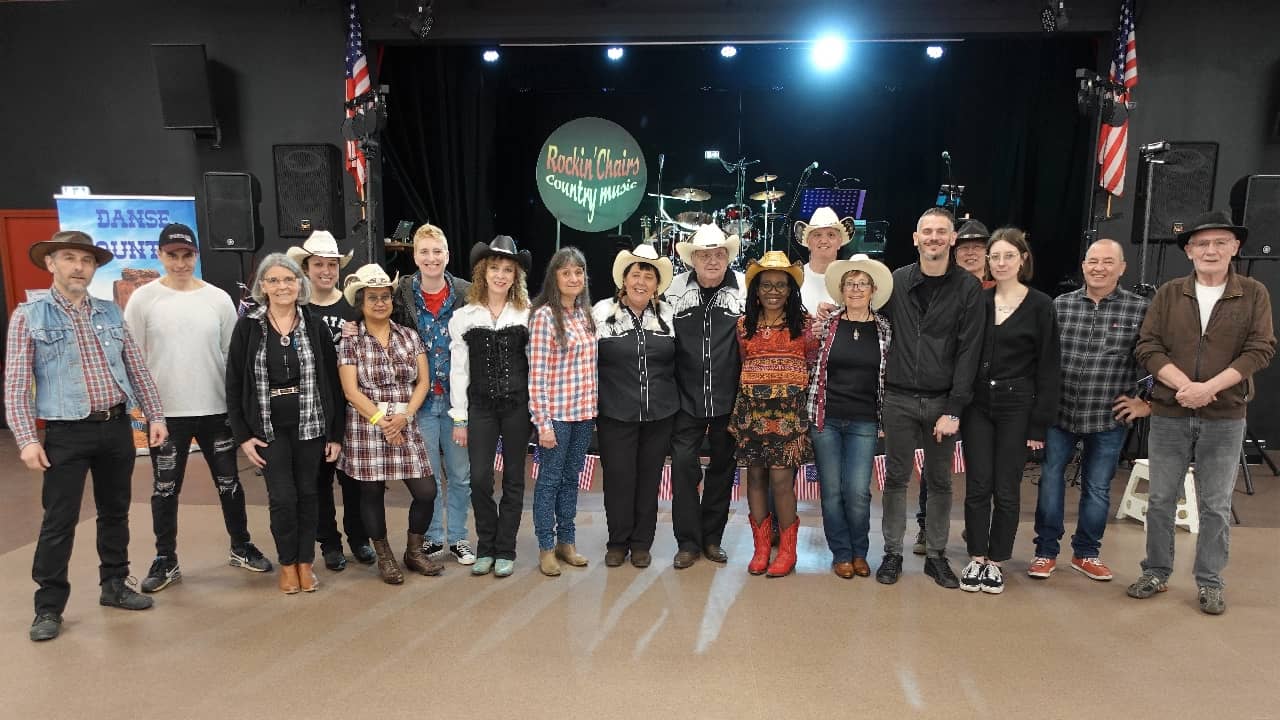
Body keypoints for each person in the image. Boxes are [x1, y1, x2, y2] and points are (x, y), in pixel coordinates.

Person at [6, 231, 167, 642]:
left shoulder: (111, 313)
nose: (79, 267)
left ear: (94, 268)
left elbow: (136, 368)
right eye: (70, 258)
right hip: (65, 431)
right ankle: (48, 606)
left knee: (115, 511)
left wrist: (155, 415)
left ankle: (114, 585)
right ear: (51, 264)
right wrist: (26, 438)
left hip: (115, 427)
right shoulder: (30, 315)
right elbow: (17, 383)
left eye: (86, 260)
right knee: (59, 520)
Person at [1128, 210, 1275, 615]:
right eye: (1202, 244)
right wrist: (1184, 387)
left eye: (1219, 243)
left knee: (1214, 503)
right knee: (1160, 499)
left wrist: (1208, 388)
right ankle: (1156, 571)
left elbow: (1260, 349)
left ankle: (1210, 581)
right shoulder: (1170, 293)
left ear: (1235, 248)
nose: (1211, 250)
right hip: (1170, 414)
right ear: (1189, 251)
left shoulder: (1253, 294)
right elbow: (1148, 346)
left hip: (1224, 415)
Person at [125, 223, 270, 594]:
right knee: (165, 488)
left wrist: (238, 408)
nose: (179, 262)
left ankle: (240, 546)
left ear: (196, 256)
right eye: (172, 255)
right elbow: (132, 357)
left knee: (228, 483)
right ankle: (165, 558)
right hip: (166, 416)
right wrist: (142, 408)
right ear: (160, 256)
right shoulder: (143, 299)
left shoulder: (217, 299)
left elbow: (231, 357)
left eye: (186, 255)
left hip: (215, 410)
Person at [875, 207, 984, 588]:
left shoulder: (968, 288)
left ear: (953, 238)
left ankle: (936, 555)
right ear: (915, 238)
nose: (934, 237)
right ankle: (892, 553)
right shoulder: (896, 281)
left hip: (943, 402)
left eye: (942, 232)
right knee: (895, 479)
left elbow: (970, 351)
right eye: (927, 231)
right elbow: (868, 318)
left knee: (939, 481)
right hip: (899, 397)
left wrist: (955, 408)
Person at [1029, 238, 1150, 582]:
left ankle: (1086, 553)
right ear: (1083, 266)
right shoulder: (1060, 306)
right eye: (1092, 261)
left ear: (1122, 268)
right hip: (1060, 413)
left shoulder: (1140, 309)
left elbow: (1157, 361)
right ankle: (1045, 552)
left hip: (1109, 417)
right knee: (1050, 482)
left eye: (1108, 262)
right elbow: (1041, 358)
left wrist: (1147, 402)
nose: (1099, 268)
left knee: (1097, 488)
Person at [226, 253, 343, 595]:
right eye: (274, 280)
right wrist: (243, 435)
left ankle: (306, 563)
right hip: (267, 429)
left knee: (309, 494)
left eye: (288, 280)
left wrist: (335, 434)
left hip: (311, 424)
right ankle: (287, 564)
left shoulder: (314, 323)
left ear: (299, 284)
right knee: (282, 497)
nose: (282, 286)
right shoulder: (249, 324)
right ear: (262, 286)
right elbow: (234, 382)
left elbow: (332, 382)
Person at [958, 228, 1060, 595]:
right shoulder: (978, 301)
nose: (1001, 263)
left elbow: (1049, 367)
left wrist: (1039, 423)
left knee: (1006, 487)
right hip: (978, 404)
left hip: (1019, 404)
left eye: (1008, 256)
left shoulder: (1041, 305)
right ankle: (976, 557)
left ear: (1023, 259)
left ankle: (997, 561)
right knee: (978, 484)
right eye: (995, 257)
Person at [339, 264, 443, 584]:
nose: (380, 303)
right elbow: (350, 390)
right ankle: (384, 556)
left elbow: (423, 382)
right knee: (370, 493)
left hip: (404, 419)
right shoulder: (351, 339)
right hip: (368, 424)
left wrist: (405, 417)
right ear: (362, 301)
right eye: (373, 298)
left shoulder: (409, 336)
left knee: (426, 491)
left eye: (385, 297)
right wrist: (382, 421)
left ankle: (413, 551)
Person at [285, 231, 372, 572]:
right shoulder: (297, 308)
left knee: (354, 479)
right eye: (318, 264)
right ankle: (330, 543)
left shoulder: (351, 306)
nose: (325, 270)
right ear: (306, 267)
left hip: (352, 403)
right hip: (313, 406)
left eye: (331, 264)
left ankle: (359, 537)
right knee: (318, 480)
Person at [449, 236, 533, 578]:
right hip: (480, 407)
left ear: (516, 276)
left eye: (508, 270)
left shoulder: (527, 314)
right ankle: (486, 545)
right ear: (483, 273)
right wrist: (459, 417)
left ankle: (506, 548)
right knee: (480, 479)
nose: (500, 275)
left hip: (517, 407)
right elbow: (459, 370)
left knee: (514, 478)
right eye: (495, 268)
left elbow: (535, 365)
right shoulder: (463, 317)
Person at [392, 223, 475, 566]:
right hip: (420, 400)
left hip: (457, 400)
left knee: (460, 474)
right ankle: (432, 537)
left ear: (447, 255)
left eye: (436, 251)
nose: (431, 258)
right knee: (428, 478)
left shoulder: (467, 292)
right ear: (415, 256)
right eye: (424, 252)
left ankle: (457, 537)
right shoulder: (401, 294)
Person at [666, 224, 746, 569]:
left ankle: (712, 538)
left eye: (718, 254)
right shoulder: (672, 291)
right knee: (683, 468)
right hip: (685, 399)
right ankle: (687, 541)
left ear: (727, 257)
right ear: (692, 259)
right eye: (704, 255)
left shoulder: (744, 289)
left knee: (723, 469)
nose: (712, 261)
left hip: (729, 399)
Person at [808, 254, 893, 579]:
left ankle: (860, 551)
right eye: (850, 283)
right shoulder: (826, 325)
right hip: (826, 419)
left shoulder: (885, 329)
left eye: (862, 284)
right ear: (841, 290)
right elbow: (811, 365)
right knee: (831, 491)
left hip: (865, 420)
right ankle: (841, 553)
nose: (856, 289)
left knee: (857, 491)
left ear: (873, 290)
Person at [593, 244, 677, 569]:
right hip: (616, 414)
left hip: (660, 414)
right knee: (618, 479)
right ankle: (617, 541)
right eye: (635, 274)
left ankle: (642, 542)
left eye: (648, 275)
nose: (641, 281)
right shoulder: (601, 313)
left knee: (648, 479)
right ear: (624, 280)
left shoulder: (669, 317)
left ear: (657, 284)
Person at [734, 251, 818, 578]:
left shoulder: (805, 326)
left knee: (782, 482)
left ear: (790, 290)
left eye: (780, 285)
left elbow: (812, 364)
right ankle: (759, 548)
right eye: (766, 285)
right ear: (756, 290)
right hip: (752, 414)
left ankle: (787, 549)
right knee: (754, 479)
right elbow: (741, 362)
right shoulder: (744, 326)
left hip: (789, 417)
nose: (773, 291)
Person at [529, 247, 598, 577]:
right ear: (554, 277)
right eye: (567, 272)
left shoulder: (586, 315)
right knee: (549, 482)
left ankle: (566, 543)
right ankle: (545, 546)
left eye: (579, 272)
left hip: (584, 414)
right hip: (556, 416)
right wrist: (542, 422)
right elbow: (537, 374)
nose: (574, 278)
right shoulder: (543, 316)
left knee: (571, 480)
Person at [795, 207, 854, 315]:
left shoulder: (851, 279)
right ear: (808, 242)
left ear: (840, 242)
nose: (824, 241)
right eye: (817, 235)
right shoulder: (795, 277)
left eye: (831, 235)